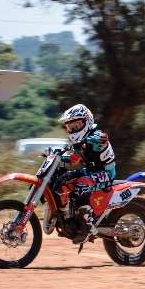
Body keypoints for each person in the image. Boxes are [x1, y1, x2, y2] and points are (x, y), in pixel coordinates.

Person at [56, 104, 116, 244]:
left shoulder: (97, 135)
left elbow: (102, 139)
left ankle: (87, 226)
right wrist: (56, 157)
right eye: (70, 127)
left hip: (106, 172)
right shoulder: (80, 143)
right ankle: (71, 216)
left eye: (75, 126)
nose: (72, 130)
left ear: (87, 121)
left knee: (82, 184)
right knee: (65, 178)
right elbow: (74, 160)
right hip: (92, 171)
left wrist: (84, 142)